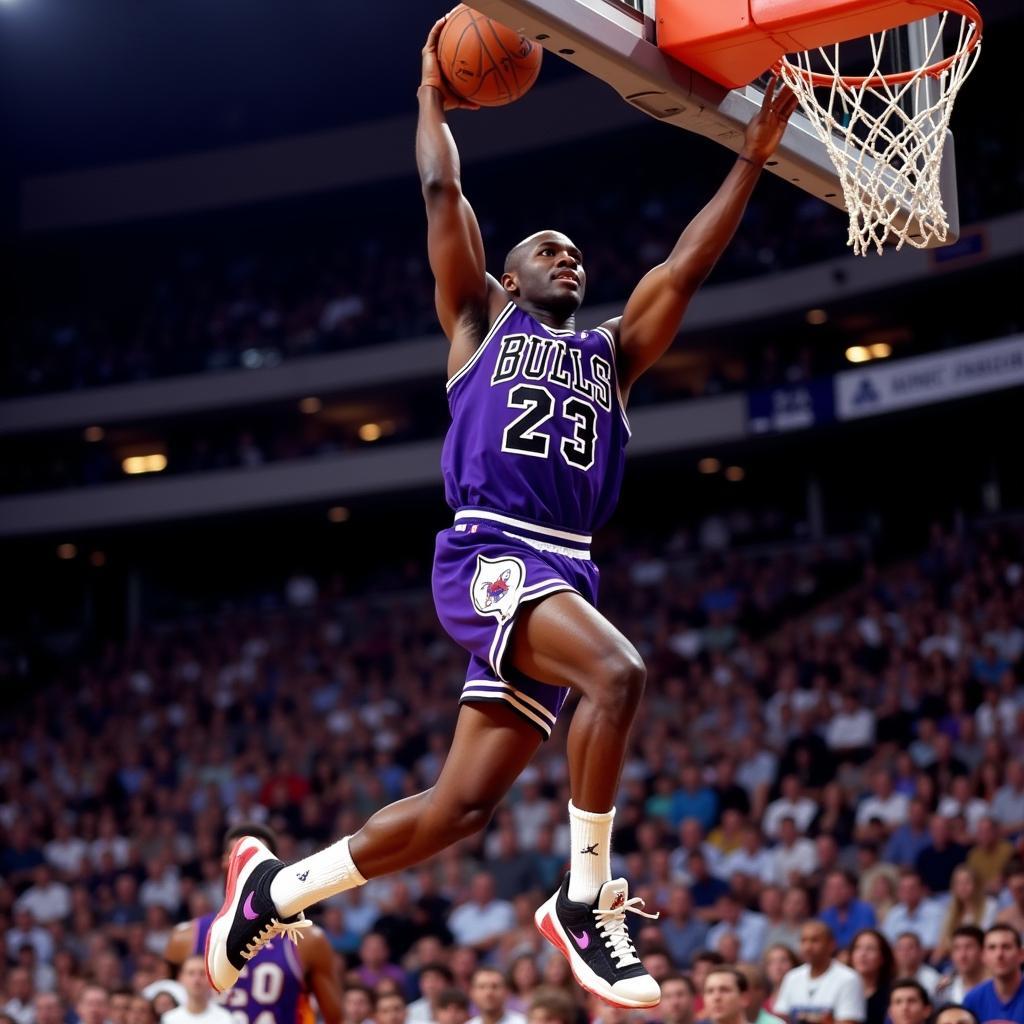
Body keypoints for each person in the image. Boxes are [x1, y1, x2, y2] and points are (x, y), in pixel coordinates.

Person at [203, 9, 801, 1007]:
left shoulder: (612, 353)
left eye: (576, 254)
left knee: (461, 809)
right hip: (492, 553)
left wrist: (750, 156)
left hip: (563, 564)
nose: (568, 259)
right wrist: (432, 94)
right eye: (546, 250)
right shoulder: (478, 321)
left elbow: (684, 267)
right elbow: (443, 188)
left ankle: (274, 884)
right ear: (508, 275)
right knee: (618, 674)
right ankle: (582, 899)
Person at [166, 824, 342, 1024]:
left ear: (273, 865)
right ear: (224, 862)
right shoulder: (185, 938)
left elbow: (335, 1017)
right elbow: (168, 1008)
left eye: (255, 858)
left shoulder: (308, 940)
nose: (245, 864)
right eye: (236, 855)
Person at [772, 922, 866, 1024]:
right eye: (803, 941)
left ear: (831, 945)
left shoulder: (848, 978)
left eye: (815, 940)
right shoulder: (792, 977)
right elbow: (780, 1019)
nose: (808, 947)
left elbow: (849, 1021)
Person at [933, 868, 998, 965]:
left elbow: (987, 938)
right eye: (958, 883)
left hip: (981, 958)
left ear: (976, 885)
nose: (963, 887)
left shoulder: (990, 905)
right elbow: (944, 940)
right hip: (955, 958)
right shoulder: (950, 910)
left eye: (967, 882)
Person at [962, 924, 1024, 1024]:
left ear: (1021, 954)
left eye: (1006, 947)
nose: (999, 954)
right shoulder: (972, 999)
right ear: (983, 956)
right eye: (992, 947)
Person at [162, 958, 232, 1024]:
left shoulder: (226, 1019)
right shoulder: (169, 1019)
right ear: (180, 978)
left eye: (202, 973)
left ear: (211, 978)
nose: (197, 979)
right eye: (191, 973)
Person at [935, 926, 988, 1008]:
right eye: (957, 948)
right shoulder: (945, 990)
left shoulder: (996, 987)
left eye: (969, 947)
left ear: (982, 951)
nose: (962, 955)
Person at [849, 930, 895, 1024]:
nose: (863, 954)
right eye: (858, 948)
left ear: (883, 957)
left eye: (870, 949)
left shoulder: (892, 994)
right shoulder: (841, 988)